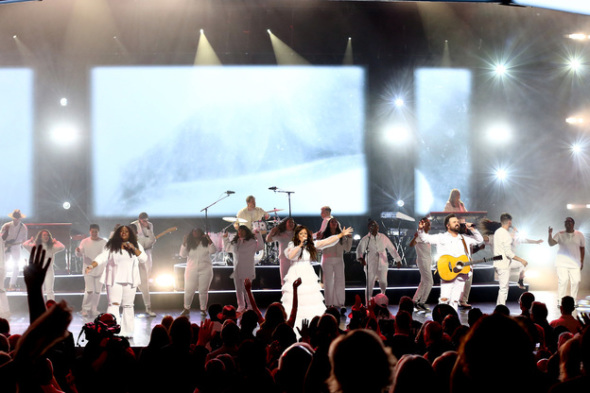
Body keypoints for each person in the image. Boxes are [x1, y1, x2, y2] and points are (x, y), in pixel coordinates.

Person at [282, 224, 353, 330]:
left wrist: (340, 235)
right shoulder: (292, 245)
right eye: (301, 234)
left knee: (310, 300)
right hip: (296, 273)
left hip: (308, 273)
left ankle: (311, 325)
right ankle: (295, 323)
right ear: (297, 235)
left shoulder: (311, 245)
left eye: (305, 233)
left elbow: (326, 242)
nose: (303, 235)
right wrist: (300, 245)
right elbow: (291, 256)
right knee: (296, 299)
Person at [85, 225, 147, 338]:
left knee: (128, 305)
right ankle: (112, 329)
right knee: (113, 304)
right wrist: (91, 265)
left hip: (130, 279)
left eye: (126, 231)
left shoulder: (137, 245)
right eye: (121, 231)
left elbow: (143, 259)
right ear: (118, 233)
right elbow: (102, 257)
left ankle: (128, 332)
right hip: (114, 279)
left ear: (130, 234)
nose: (123, 233)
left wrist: (133, 248)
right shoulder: (111, 245)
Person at [417, 214, 483, 310]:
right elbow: (425, 238)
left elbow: (479, 240)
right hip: (448, 272)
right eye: (454, 222)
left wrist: (472, 229)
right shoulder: (442, 237)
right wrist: (420, 230)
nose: (457, 223)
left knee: (454, 302)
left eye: (457, 222)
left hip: (461, 273)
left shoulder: (464, 238)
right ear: (448, 225)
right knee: (445, 300)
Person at [356, 220, 402, 303]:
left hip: (382, 263)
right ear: (369, 227)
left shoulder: (383, 237)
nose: (375, 227)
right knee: (370, 284)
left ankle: (382, 298)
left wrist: (397, 260)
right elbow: (359, 250)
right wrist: (361, 259)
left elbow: (392, 249)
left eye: (376, 225)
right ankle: (368, 302)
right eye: (372, 225)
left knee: (383, 282)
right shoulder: (366, 239)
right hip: (371, 264)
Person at [223, 225, 264, 313]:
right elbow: (227, 248)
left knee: (246, 290)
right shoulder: (236, 242)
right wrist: (225, 238)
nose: (240, 232)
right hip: (237, 270)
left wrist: (258, 234)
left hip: (247, 269)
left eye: (242, 231)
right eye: (239, 231)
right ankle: (241, 306)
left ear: (246, 231)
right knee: (238, 289)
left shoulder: (252, 242)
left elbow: (261, 246)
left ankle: (250, 306)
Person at [493, 213, 531, 306]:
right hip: (503, 264)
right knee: (504, 288)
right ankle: (500, 309)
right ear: (509, 222)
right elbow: (508, 253)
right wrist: (521, 259)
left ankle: (520, 281)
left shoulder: (498, 231)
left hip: (503, 262)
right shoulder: (505, 234)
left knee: (522, 264)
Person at [179, 228, 216, 319]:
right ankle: (186, 308)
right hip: (191, 269)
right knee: (188, 290)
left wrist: (209, 239)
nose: (195, 232)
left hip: (205, 269)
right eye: (194, 231)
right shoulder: (189, 244)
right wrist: (184, 242)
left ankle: (203, 309)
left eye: (197, 231)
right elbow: (182, 255)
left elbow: (213, 251)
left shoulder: (206, 243)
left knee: (203, 291)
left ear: (201, 233)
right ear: (192, 233)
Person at [548, 217, 585, 304]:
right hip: (561, 263)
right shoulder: (560, 234)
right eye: (566, 221)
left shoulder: (580, 235)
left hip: (575, 263)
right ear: (564, 224)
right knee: (563, 281)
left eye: (569, 221)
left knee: (576, 281)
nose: (567, 223)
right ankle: (561, 302)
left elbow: (582, 248)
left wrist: (582, 261)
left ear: (573, 224)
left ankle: (573, 301)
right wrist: (550, 234)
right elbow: (551, 243)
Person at [319, 217, 352, 313]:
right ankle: (329, 304)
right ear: (328, 224)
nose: (334, 223)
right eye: (332, 222)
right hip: (327, 260)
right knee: (328, 282)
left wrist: (349, 238)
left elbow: (347, 249)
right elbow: (319, 248)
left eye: (335, 222)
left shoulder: (342, 236)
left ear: (338, 224)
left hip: (339, 260)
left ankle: (341, 304)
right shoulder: (324, 235)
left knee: (340, 281)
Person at [22, 230, 65, 301]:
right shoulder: (34, 246)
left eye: (47, 235)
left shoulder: (51, 247)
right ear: (40, 237)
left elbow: (62, 247)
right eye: (44, 235)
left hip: (49, 270)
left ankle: (50, 307)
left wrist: (56, 241)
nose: (46, 237)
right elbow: (24, 244)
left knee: (49, 290)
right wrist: (30, 240)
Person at [75, 224, 108, 318]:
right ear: (90, 231)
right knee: (89, 290)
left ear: (98, 232)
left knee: (97, 291)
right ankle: (85, 309)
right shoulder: (84, 241)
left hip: (100, 269)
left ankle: (94, 309)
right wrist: (78, 251)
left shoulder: (103, 242)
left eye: (96, 232)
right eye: (92, 231)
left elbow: (106, 254)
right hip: (88, 269)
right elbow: (80, 253)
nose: (94, 233)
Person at [131, 212, 157, 317]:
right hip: (130, 266)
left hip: (142, 262)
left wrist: (148, 229)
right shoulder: (125, 240)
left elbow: (152, 240)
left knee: (145, 285)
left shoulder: (142, 238)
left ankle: (148, 307)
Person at [409, 217, 433, 312]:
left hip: (427, 260)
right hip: (423, 260)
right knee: (430, 282)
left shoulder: (426, 235)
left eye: (429, 223)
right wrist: (415, 236)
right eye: (428, 223)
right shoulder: (420, 234)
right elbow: (411, 244)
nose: (430, 225)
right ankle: (422, 302)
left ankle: (414, 301)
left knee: (423, 282)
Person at [1, 209, 28, 290]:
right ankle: (1, 283)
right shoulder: (7, 225)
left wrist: (26, 246)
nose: (16, 219)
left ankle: (12, 284)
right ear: (12, 218)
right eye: (15, 217)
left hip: (16, 246)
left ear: (20, 218)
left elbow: (24, 240)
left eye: (18, 217)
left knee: (16, 266)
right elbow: (1, 238)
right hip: (5, 246)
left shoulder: (23, 227)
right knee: (2, 265)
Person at [266, 217, 296, 284]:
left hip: (295, 260)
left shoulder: (296, 233)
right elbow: (268, 239)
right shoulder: (281, 234)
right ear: (285, 224)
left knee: (295, 280)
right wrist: (272, 232)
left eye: (293, 222)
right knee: (285, 280)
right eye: (289, 222)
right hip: (284, 260)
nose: (291, 224)